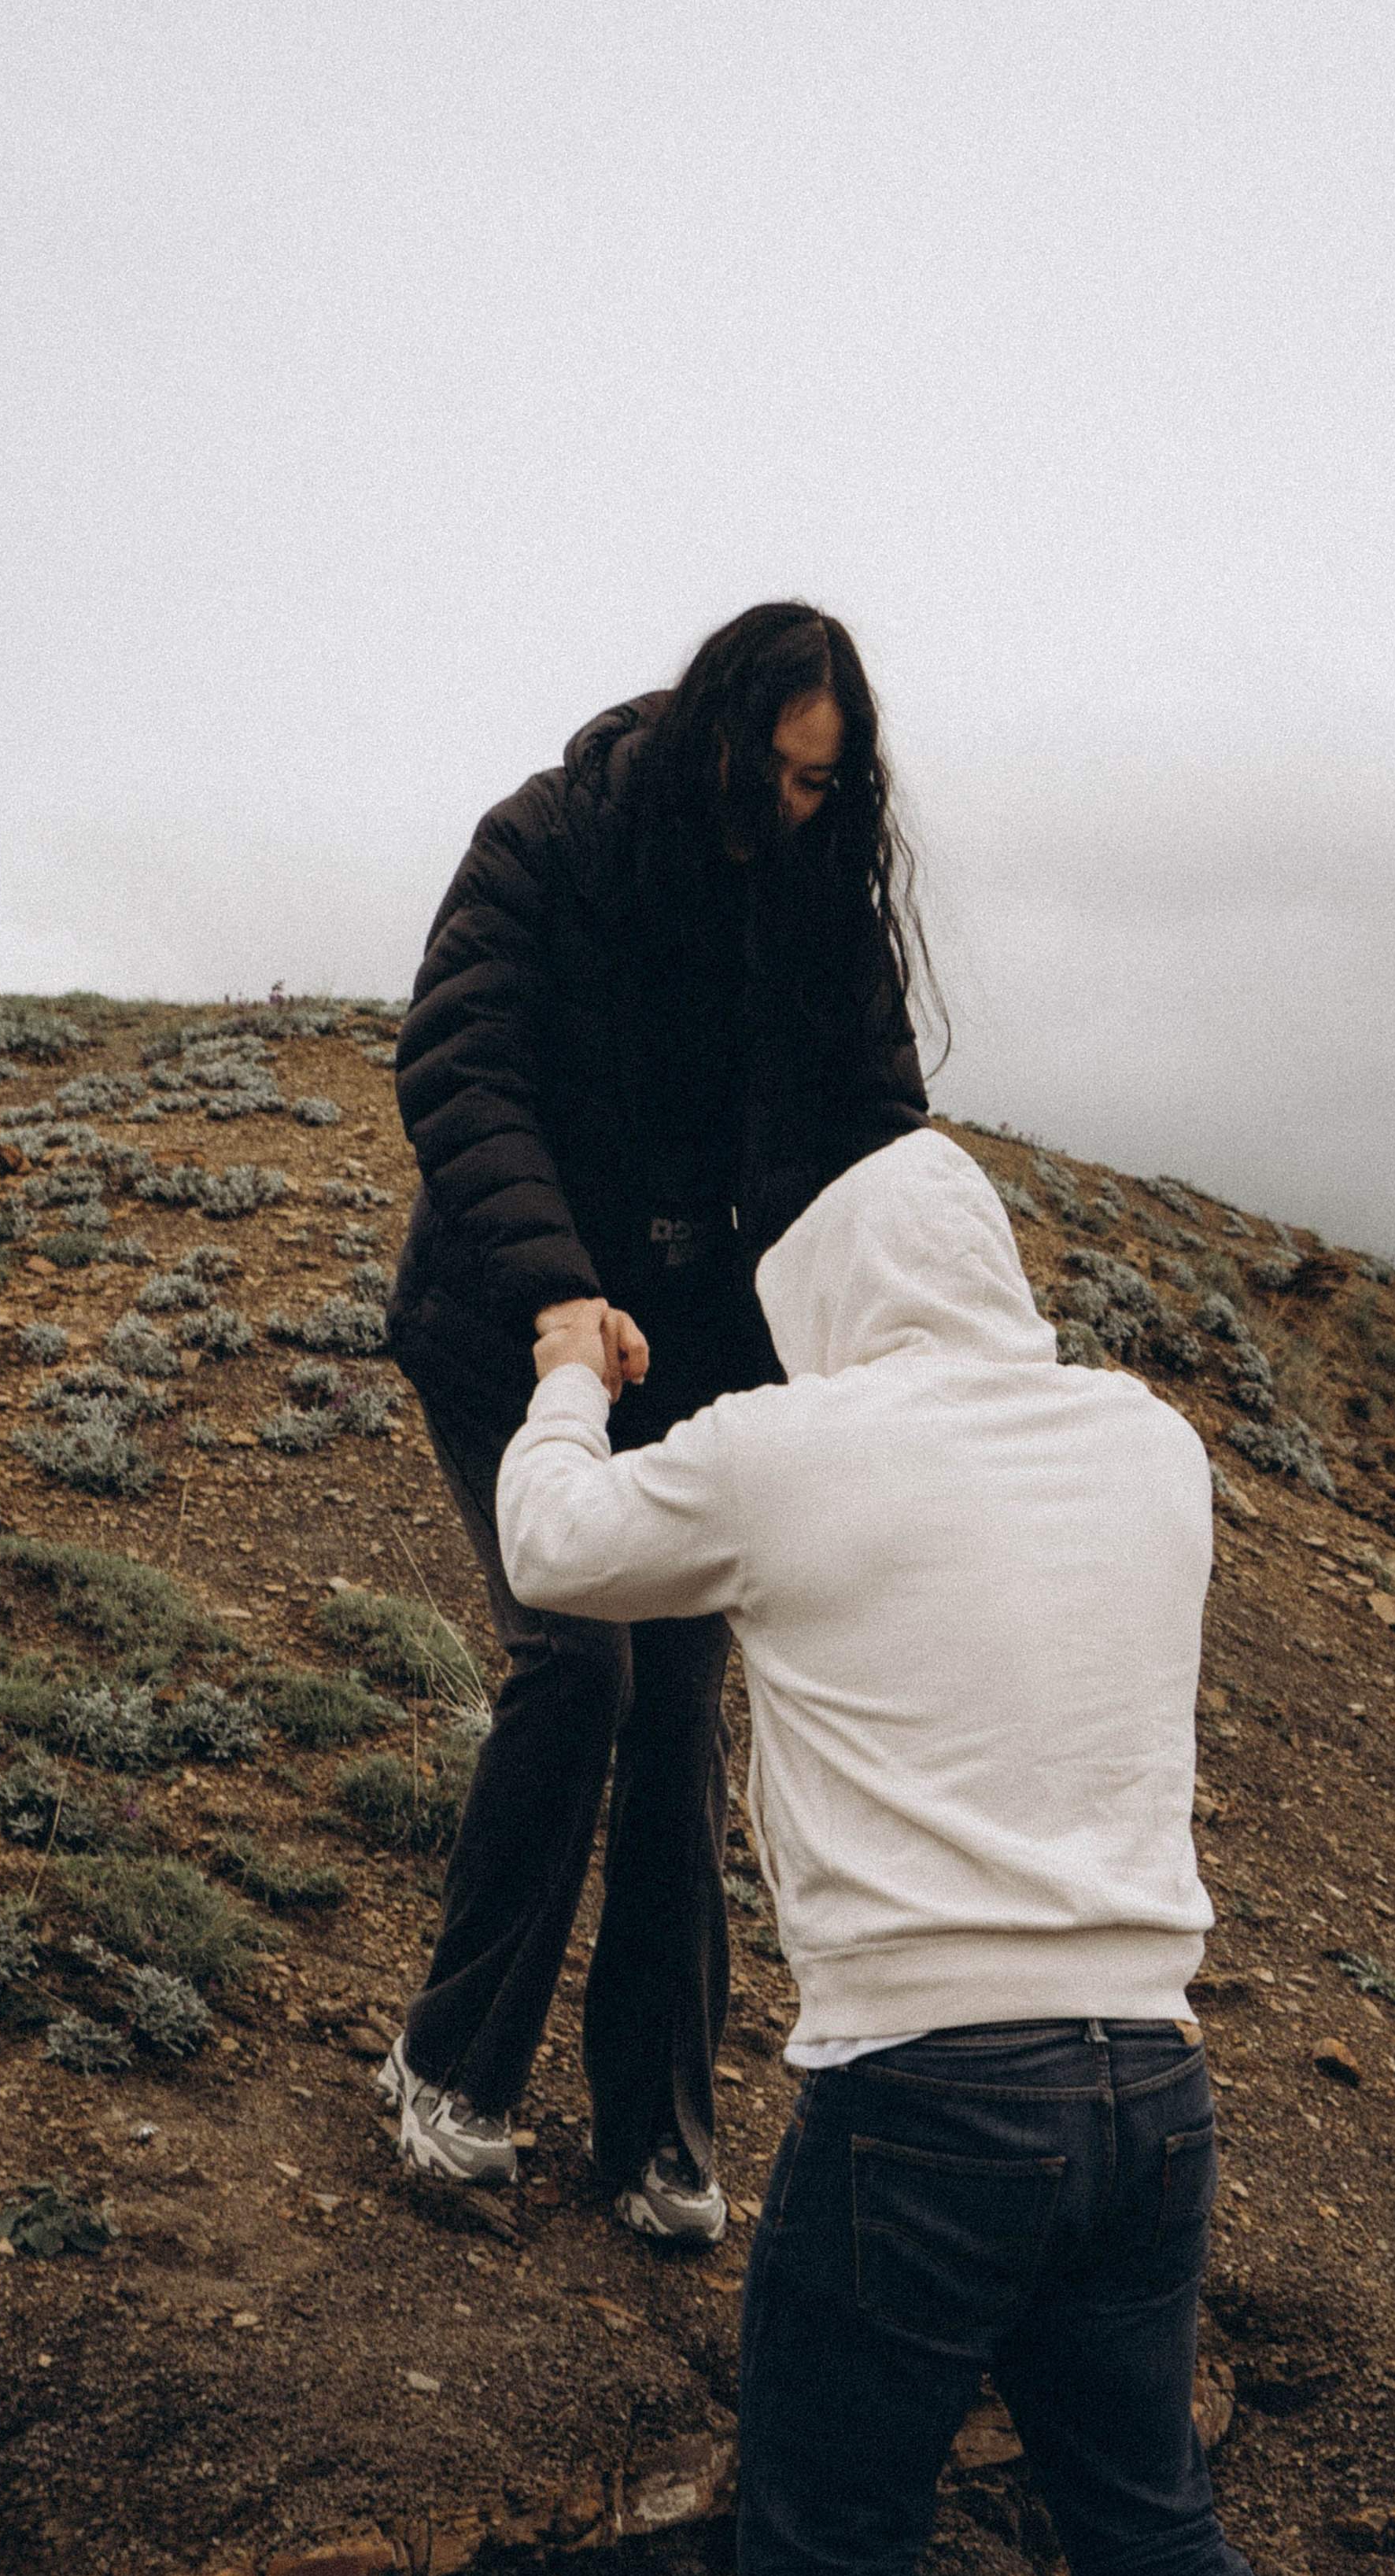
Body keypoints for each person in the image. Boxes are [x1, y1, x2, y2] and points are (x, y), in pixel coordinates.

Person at [496, 1127, 1385, 2576]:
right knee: (1159, 2552)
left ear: (822, 1302)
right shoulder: (1150, 1447)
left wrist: (570, 1364)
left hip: (916, 2102)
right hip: (1149, 2090)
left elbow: (549, 1550)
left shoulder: (794, 1454)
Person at [381, 603, 932, 2245]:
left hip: (695, 1341)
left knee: (681, 1696)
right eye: (769, 774)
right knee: (577, 1657)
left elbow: (881, 1131)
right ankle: (445, 2068)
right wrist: (558, 1290)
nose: (789, 810)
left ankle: (655, 2133)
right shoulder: (552, 839)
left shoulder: (825, 893)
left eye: (822, 786)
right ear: (707, 734)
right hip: (509, 1317)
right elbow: (457, 1068)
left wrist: (903, 1334)